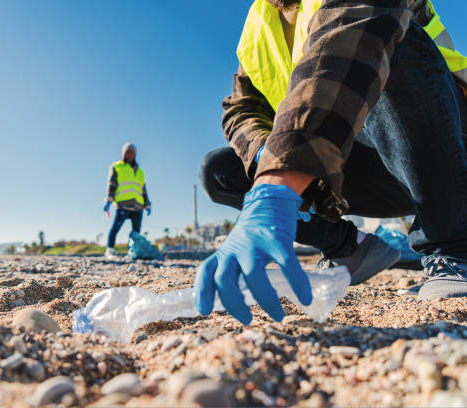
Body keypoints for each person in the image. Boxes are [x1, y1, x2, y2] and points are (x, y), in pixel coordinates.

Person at [196, 0, 467, 325]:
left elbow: (355, 26)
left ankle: (455, 244)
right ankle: (349, 248)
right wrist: (267, 156)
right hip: (368, 162)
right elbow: (240, 107)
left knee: (380, 41)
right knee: (221, 171)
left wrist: (279, 181)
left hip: (449, 148)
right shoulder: (259, 24)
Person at [104, 143, 151, 260]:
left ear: (135, 154)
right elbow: (112, 184)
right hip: (123, 204)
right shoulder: (117, 166)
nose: (130, 155)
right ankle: (110, 250)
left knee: (136, 232)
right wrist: (109, 200)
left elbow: (143, 189)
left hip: (138, 206)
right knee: (116, 227)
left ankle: (132, 252)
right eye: (128, 152)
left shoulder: (140, 172)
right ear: (124, 154)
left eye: (132, 152)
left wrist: (147, 204)